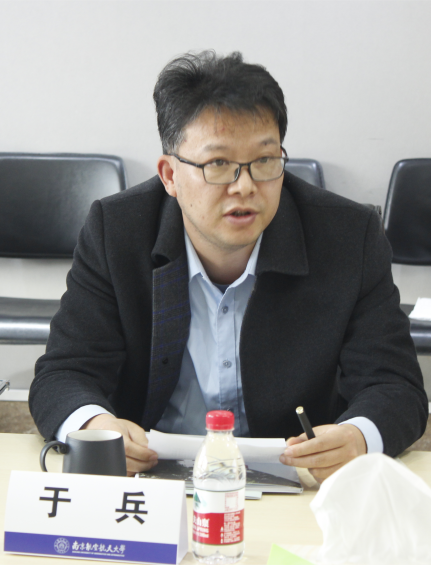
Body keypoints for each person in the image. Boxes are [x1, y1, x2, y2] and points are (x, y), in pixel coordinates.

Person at [30, 51, 428, 481]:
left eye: (265, 161)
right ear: (170, 175)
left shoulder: (348, 236)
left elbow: (395, 385)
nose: (245, 186)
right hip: (150, 483)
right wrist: (94, 426)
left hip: (298, 478)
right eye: (218, 164)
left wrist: (358, 436)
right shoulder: (117, 230)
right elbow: (64, 373)